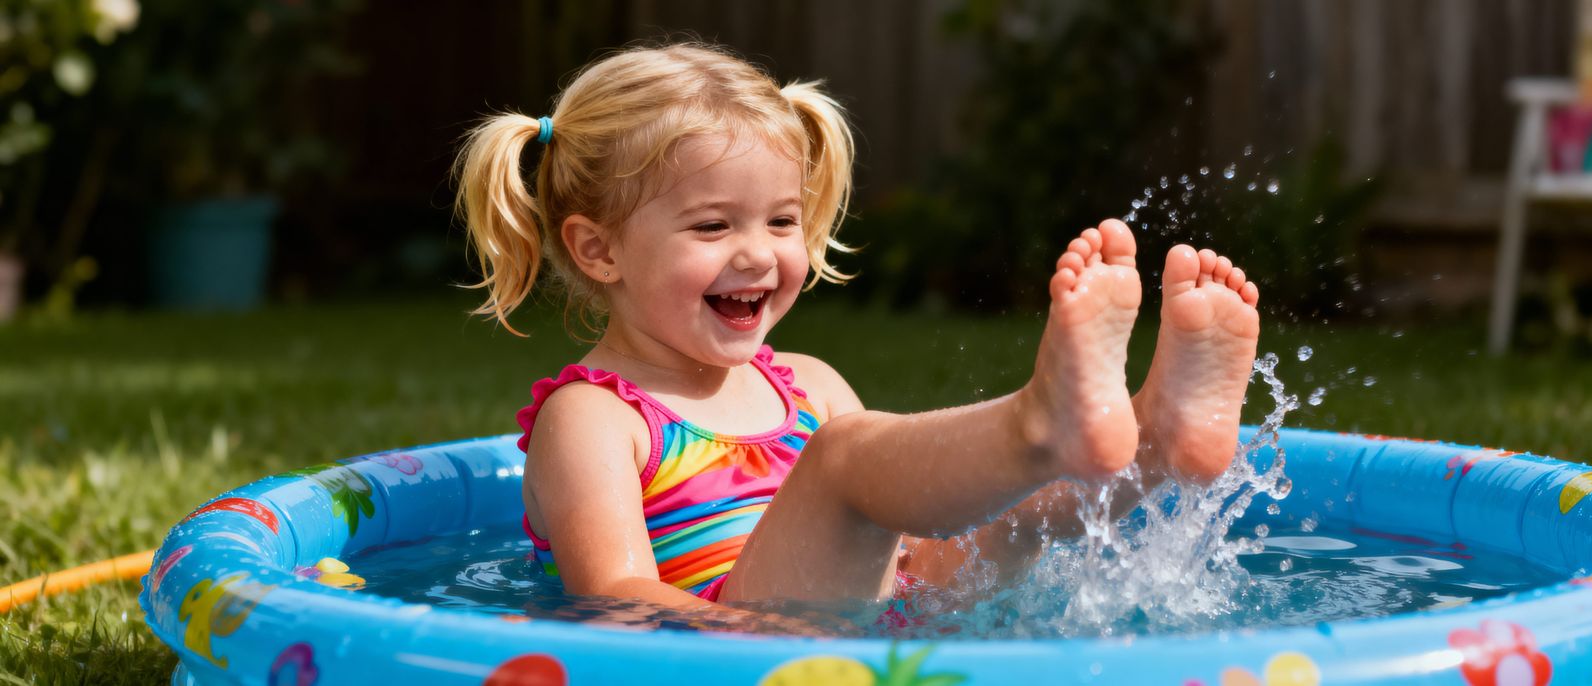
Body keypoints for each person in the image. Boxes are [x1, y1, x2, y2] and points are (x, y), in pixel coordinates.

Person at [452, 43, 1260, 614]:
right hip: (738, 654)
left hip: (873, 621)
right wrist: (773, 642)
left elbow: (905, 533)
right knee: (844, 458)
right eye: (711, 227)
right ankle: (1040, 418)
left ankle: (1157, 443)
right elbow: (617, 600)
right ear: (599, 250)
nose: (760, 255)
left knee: (1008, 518)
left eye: (780, 221)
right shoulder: (595, 417)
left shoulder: (806, 383)